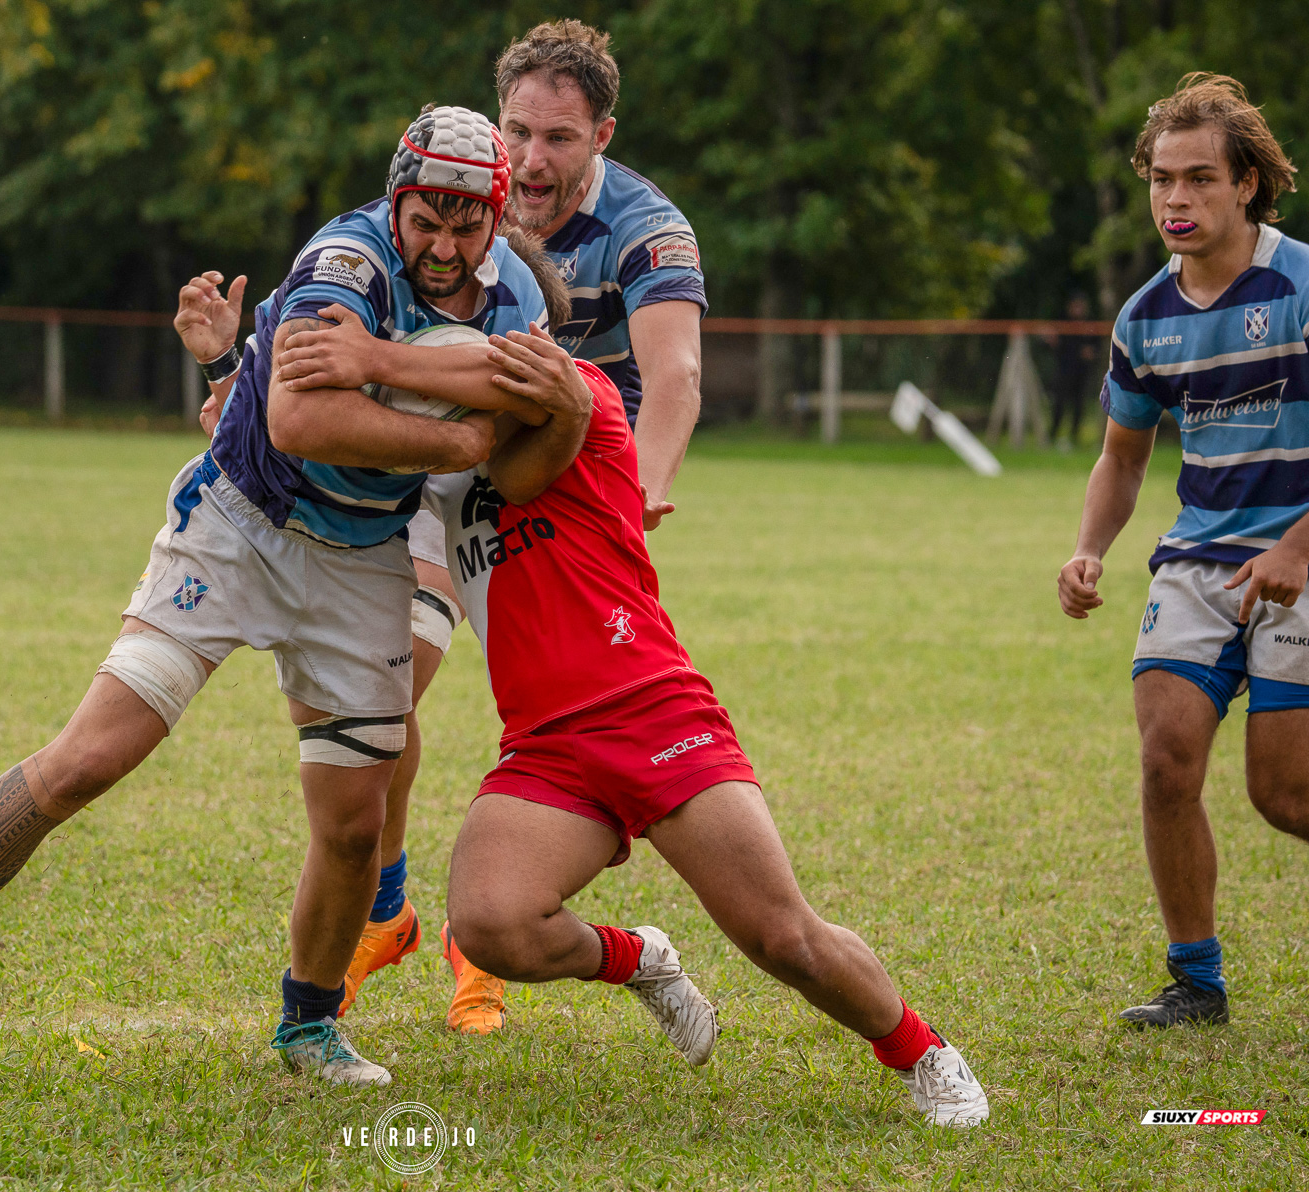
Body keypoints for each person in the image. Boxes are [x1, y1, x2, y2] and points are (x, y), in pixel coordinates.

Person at [0, 105, 551, 1087]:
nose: (445, 248)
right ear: (395, 204)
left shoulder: (517, 296)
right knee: (90, 757)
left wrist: (458, 409)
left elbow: (530, 417)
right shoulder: (346, 261)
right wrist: (459, 436)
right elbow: (297, 421)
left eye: (467, 225)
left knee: (354, 826)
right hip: (240, 523)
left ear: (497, 217)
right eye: (426, 221)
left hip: (364, 556)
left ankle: (308, 1026)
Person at [304, 311, 988, 1125]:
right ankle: (641, 959)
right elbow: (310, 438)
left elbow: (515, 427)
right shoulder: (439, 465)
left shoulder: (580, 393)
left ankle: (922, 1052)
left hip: (653, 711)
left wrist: (376, 356)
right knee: (490, 926)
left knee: (784, 940)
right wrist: (229, 372)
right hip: (544, 743)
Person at [172, 19, 712, 1035]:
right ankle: (391, 906)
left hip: (557, 486)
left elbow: (675, 374)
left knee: (510, 703)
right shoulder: (459, 209)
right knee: (371, 688)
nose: (534, 159)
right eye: (520, 133)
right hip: (439, 472)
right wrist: (228, 370)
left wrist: (639, 494)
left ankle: (478, 922)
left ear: (603, 135)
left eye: (559, 138)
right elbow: (314, 356)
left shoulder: (647, 228)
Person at [1057, 74, 1309, 1028]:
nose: (1176, 197)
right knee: (1166, 763)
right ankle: (1196, 983)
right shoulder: (1144, 318)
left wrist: (1297, 547)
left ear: (1247, 184)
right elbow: (1123, 458)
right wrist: (1089, 548)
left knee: (1285, 795)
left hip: (1303, 557)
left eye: (1200, 178)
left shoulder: (1302, 285)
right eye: (1162, 178)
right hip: (1200, 563)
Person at [1048, 294, 1099, 448]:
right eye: (1075, 306)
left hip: (1082, 371)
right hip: (1064, 370)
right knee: (1059, 403)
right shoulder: (1062, 321)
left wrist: (1091, 352)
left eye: (1081, 306)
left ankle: (1074, 436)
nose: (1078, 309)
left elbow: (1096, 347)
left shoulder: (1090, 323)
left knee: (1079, 404)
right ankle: (1053, 434)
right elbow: (1054, 345)